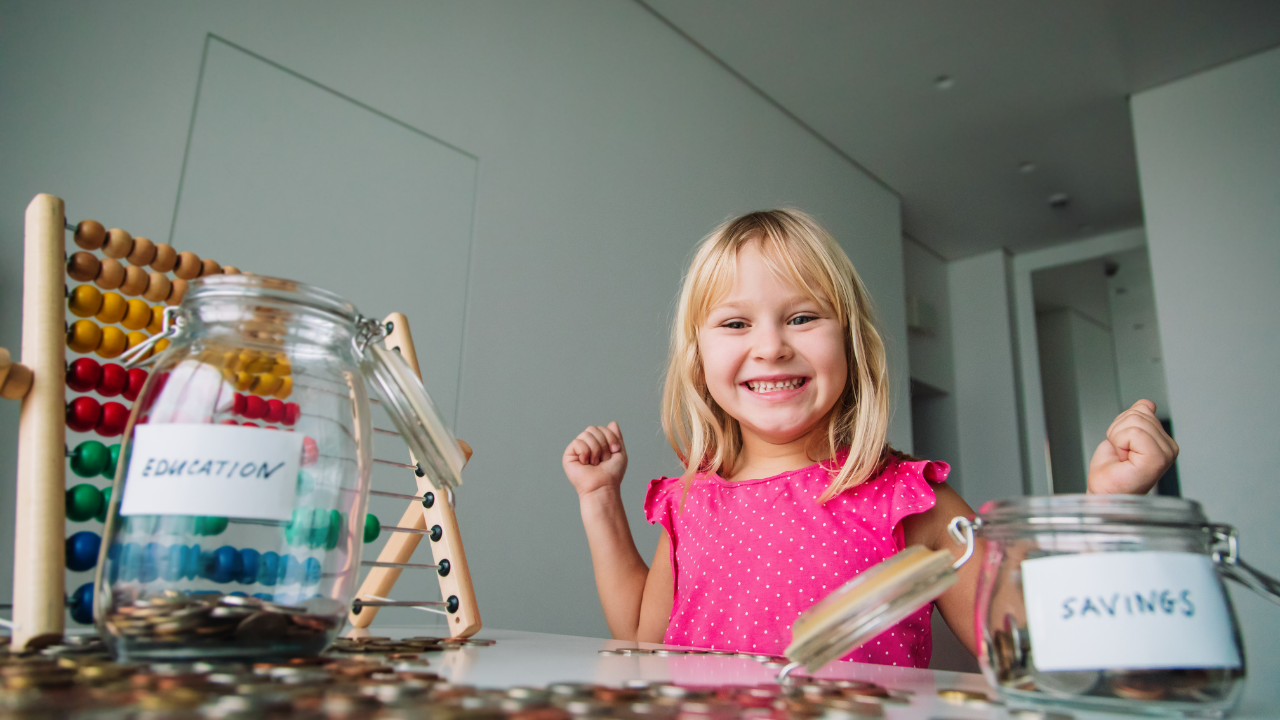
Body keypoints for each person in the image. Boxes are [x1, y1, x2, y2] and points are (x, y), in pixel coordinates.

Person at [562, 209, 1178, 667]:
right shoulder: (692, 500)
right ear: (698, 358)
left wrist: (1111, 508)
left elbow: (1032, 648)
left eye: (803, 317)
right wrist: (599, 500)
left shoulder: (912, 502)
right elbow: (641, 640)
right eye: (735, 323)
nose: (771, 346)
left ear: (851, 344)